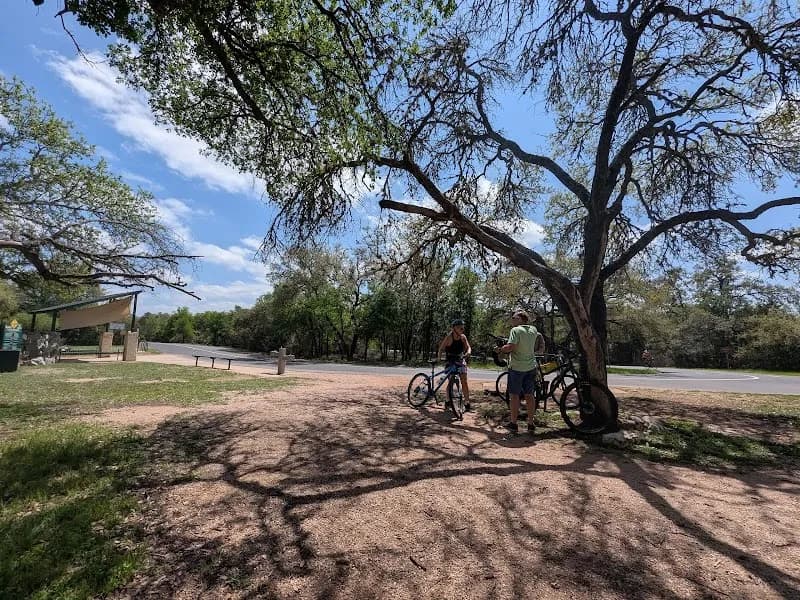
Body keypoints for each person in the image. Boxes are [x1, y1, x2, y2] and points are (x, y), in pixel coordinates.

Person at [495, 310, 540, 436]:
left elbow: (511, 347)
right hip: (531, 366)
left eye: (514, 317)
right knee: (529, 395)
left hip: (517, 367)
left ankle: (514, 423)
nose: (512, 320)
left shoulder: (515, 330)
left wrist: (500, 349)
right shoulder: (533, 330)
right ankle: (531, 423)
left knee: (514, 395)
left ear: (520, 319)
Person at [438, 318, 472, 412]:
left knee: (464, 381)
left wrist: (468, 352)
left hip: (460, 360)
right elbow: (441, 348)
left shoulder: (463, 337)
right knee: (451, 380)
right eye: (460, 328)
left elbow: (468, 347)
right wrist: (439, 358)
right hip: (450, 361)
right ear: (454, 329)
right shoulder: (449, 337)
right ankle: (448, 399)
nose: (462, 329)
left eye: (462, 328)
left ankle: (467, 402)